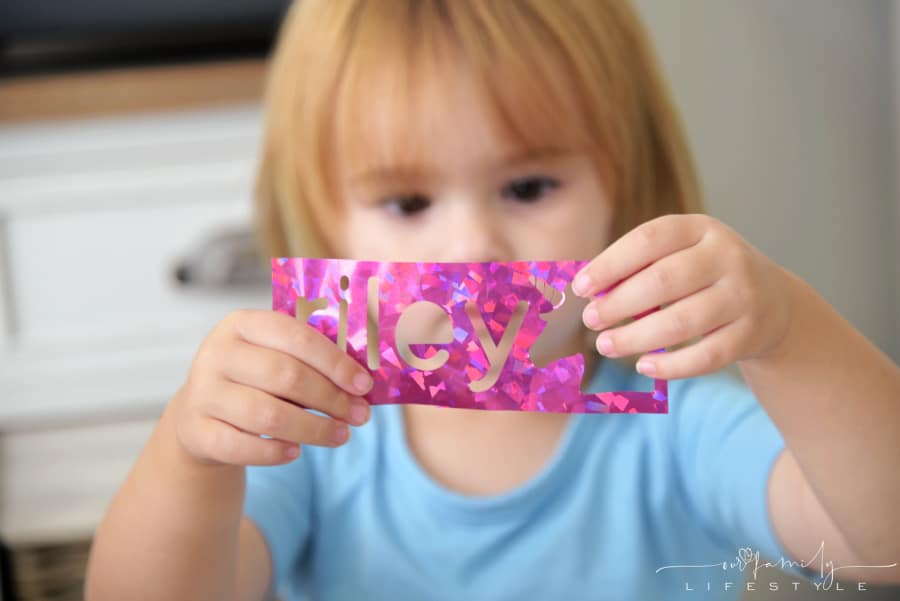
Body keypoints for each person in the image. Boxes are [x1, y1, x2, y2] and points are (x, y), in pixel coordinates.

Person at [84, 1, 900, 600]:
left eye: (528, 185)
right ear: (329, 226)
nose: (473, 248)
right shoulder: (316, 437)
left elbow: (885, 552)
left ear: (620, 191)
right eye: (407, 203)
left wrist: (791, 331)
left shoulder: (676, 417)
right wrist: (192, 456)